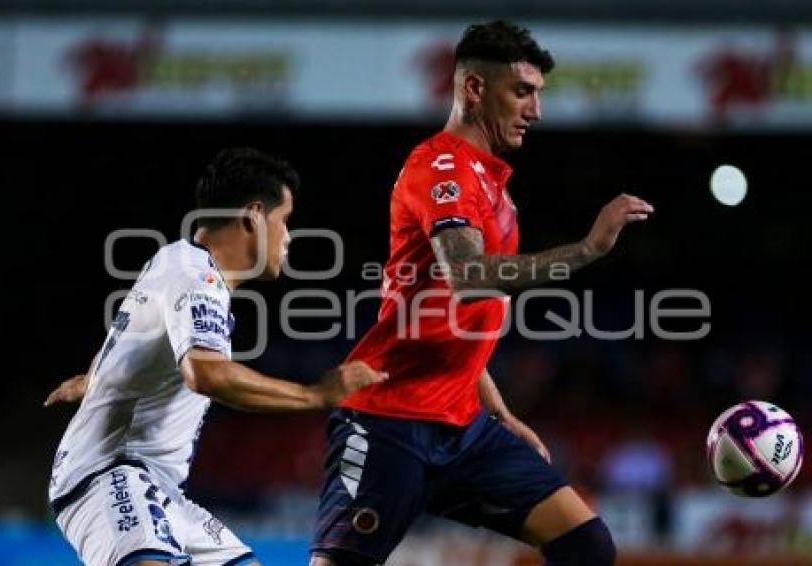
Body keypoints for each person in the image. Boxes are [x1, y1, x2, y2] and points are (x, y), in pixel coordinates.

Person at [310, 21, 653, 566]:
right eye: (522, 92)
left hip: (463, 426)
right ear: (474, 88)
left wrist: (497, 410)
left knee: (586, 543)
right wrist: (588, 249)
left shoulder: (492, 184)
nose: (535, 110)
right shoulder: (440, 167)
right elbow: (468, 276)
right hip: (389, 419)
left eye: (538, 94)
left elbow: (457, 316)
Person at [45, 147, 385, 566]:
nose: (289, 236)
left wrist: (92, 378)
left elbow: (128, 336)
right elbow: (206, 375)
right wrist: (316, 395)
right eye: (285, 221)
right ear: (254, 215)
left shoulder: (176, 261)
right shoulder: (195, 275)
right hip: (110, 473)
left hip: (158, 487)